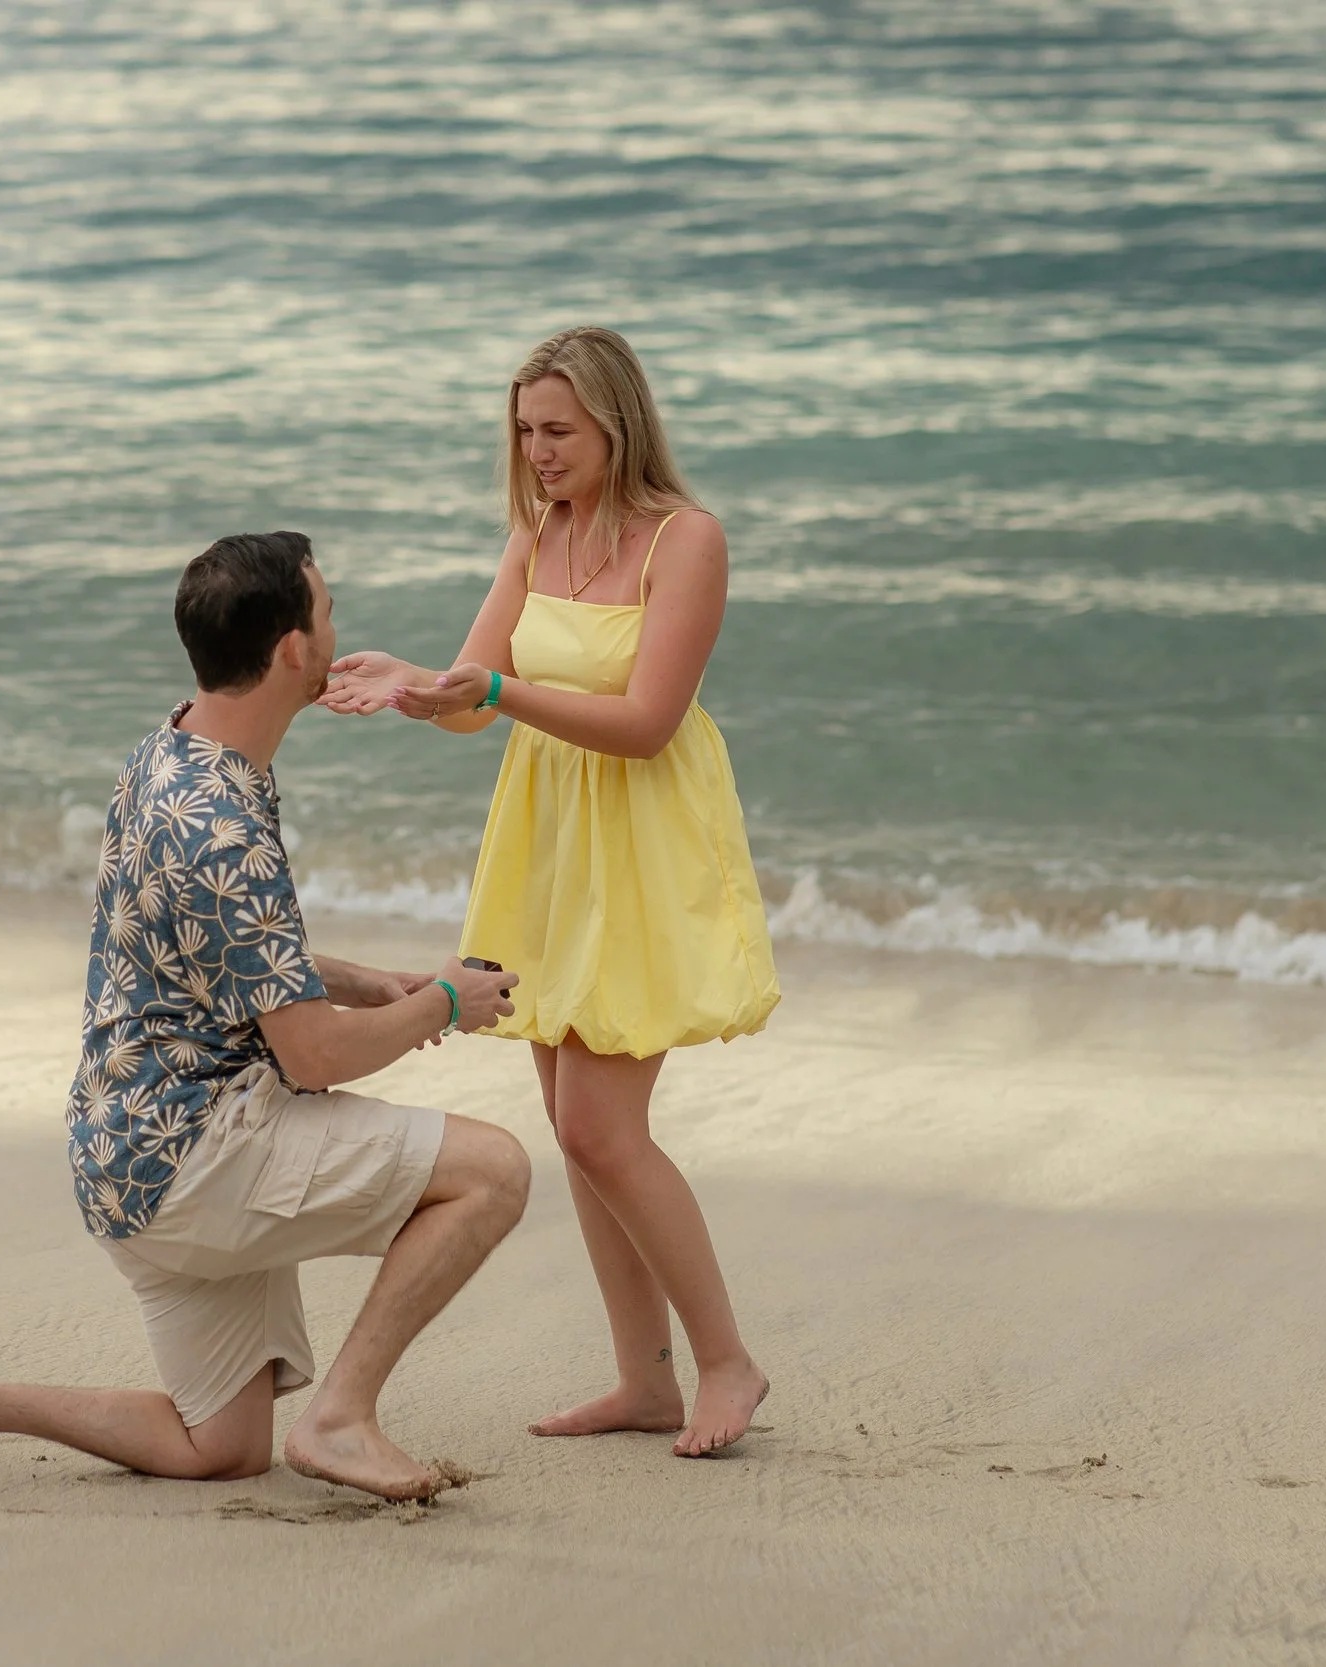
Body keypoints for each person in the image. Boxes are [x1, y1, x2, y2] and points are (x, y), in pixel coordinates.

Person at [0, 531, 531, 1502]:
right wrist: (446, 1002)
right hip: (201, 1158)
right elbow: (315, 1058)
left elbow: (206, 944)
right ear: (293, 648)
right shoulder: (224, 824)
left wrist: (359, 978)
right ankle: (340, 1416)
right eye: (326, 611)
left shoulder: (168, 748)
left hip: (118, 1156)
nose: (337, 630)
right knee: (493, 1172)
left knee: (219, 1444)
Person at [322, 327, 778, 1457]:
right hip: (547, 845)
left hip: (640, 844)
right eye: (525, 432)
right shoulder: (537, 535)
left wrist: (493, 689)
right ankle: (643, 1378)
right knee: (578, 1133)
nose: (537, 453)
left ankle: (727, 1361)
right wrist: (415, 686)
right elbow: (475, 697)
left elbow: (645, 722)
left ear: (616, 423)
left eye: (558, 431)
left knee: (597, 1122)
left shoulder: (687, 540)